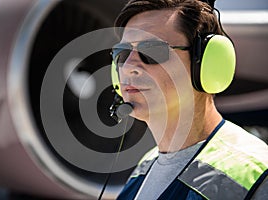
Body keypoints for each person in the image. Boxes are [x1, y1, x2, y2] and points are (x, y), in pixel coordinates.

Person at [110, 0, 268, 199]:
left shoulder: (257, 174)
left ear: (205, 65)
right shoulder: (145, 167)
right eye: (122, 54)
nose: (127, 67)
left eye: (152, 50)